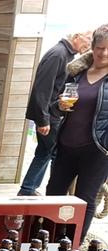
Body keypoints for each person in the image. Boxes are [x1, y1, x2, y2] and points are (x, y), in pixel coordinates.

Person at [46, 24, 108, 242]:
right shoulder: (76, 72)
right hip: (66, 144)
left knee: (85, 200)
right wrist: (59, 106)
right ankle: (47, 239)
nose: (104, 53)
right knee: (53, 194)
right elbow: (54, 104)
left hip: (97, 150)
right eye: (100, 47)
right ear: (92, 47)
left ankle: (72, 247)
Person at [18, 31, 92, 196]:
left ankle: (28, 189)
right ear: (76, 37)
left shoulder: (65, 55)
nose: (89, 43)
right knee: (52, 152)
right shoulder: (58, 54)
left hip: (52, 112)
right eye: (88, 38)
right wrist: (43, 120)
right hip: (50, 114)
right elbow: (42, 89)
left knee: (45, 151)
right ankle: (37, 190)